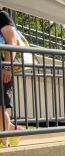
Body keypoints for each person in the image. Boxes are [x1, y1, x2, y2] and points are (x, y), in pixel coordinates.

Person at [0, 10, 22, 148]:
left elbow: (12, 41)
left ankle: (5, 143)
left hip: (2, 69)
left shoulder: (2, 16)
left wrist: (7, 67)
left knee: (0, 108)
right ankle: (14, 130)